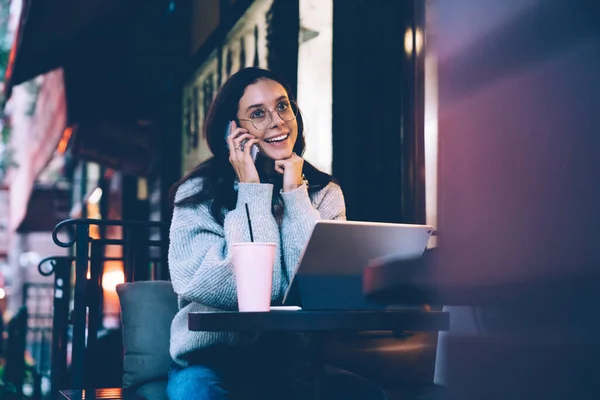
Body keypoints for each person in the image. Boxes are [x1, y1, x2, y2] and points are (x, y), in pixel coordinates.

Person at [167, 67, 385, 400]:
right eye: (258, 114)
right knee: (196, 393)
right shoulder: (196, 193)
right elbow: (249, 289)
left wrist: (295, 192)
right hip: (211, 361)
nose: (278, 121)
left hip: (294, 362)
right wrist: (251, 190)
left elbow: (313, 289)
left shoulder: (323, 193)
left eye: (283, 106)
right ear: (233, 130)